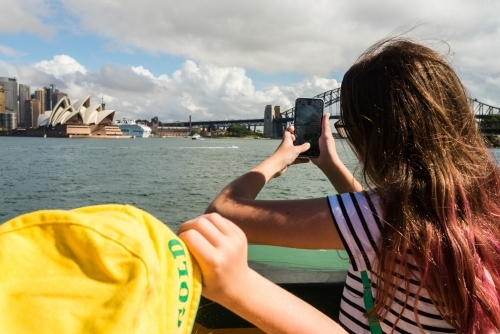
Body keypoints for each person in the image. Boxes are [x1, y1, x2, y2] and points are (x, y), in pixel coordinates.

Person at [178, 38, 500, 333]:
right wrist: (330, 164)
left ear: (373, 137)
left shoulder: (379, 215)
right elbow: (387, 226)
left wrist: (276, 162)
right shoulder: (482, 202)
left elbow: (222, 213)